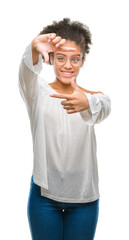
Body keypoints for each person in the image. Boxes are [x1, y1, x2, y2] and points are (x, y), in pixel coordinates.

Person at [18, 18, 111, 240]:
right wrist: (33, 46)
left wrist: (87, 103)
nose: (67, 65)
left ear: (82, 60)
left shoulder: (95, 98)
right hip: (44, 196)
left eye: (74, 59)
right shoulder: (37, 93)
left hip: (84, 198)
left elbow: (105, 106)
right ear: (51, 58)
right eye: (60, 58)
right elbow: (26, 73)